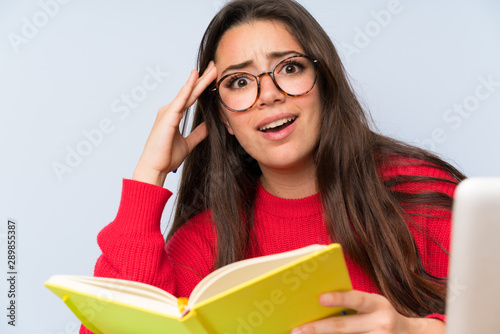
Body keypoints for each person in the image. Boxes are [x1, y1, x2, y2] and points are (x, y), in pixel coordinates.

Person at [80, 0, 465, 333]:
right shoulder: (203, 243)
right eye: (240, 82)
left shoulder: (422, 196)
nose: (269, 95)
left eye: (290, 69)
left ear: (324, 85)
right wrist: (150, 174)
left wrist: (419, 331)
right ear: (225, 119)